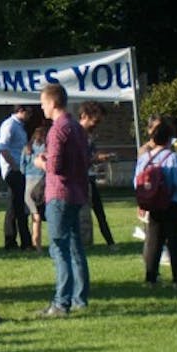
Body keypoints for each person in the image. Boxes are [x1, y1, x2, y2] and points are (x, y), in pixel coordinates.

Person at [34, 84, 91, 316]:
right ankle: (80, 298)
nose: (41, 107)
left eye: (43, 103)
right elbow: (82, 159)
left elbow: (55, 166)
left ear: (53, 103)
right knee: (76, 248)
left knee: (59, 248)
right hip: (77, 192)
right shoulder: (76, 127)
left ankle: (61, 302)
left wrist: (40, 162)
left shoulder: (57, 129)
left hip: (60, 194)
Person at [134, 122, 177, 286]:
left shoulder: (144, 158)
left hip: (153, 205)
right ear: (168, 140)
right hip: (172, 203)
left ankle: (151, 278)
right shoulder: (172, 157)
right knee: (173, 242)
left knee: (153, 242)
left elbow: (136, 182)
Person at [78, 102, 117, 249]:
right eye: (96, 121)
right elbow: (80, 159)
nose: (97, 125)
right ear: (84, 116)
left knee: (99, 211)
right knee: (85, 214)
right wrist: (96, 158)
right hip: (81, 179)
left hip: (90, 176)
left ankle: (110, 242)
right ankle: (87, 243)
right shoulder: (77, 134)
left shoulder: (88, 135)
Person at [0, 104, 33, 251]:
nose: (30, 115)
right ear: (21, 110)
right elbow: (2, 148)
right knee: (19, 207)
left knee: (14, 206)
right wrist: (14, 165)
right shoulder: (9, 125)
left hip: (20, 168)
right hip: (13, 170)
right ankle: (25, 241)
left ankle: (11, 240)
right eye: (29, 111)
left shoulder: (19, 126)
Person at [22, 126, 47, 252]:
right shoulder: (45, 149)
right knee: (40, 216)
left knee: (34, 216)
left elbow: (22, 167)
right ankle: (38, 246)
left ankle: (34, 243)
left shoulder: (26, 148)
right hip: (40, 182)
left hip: (28, 183)